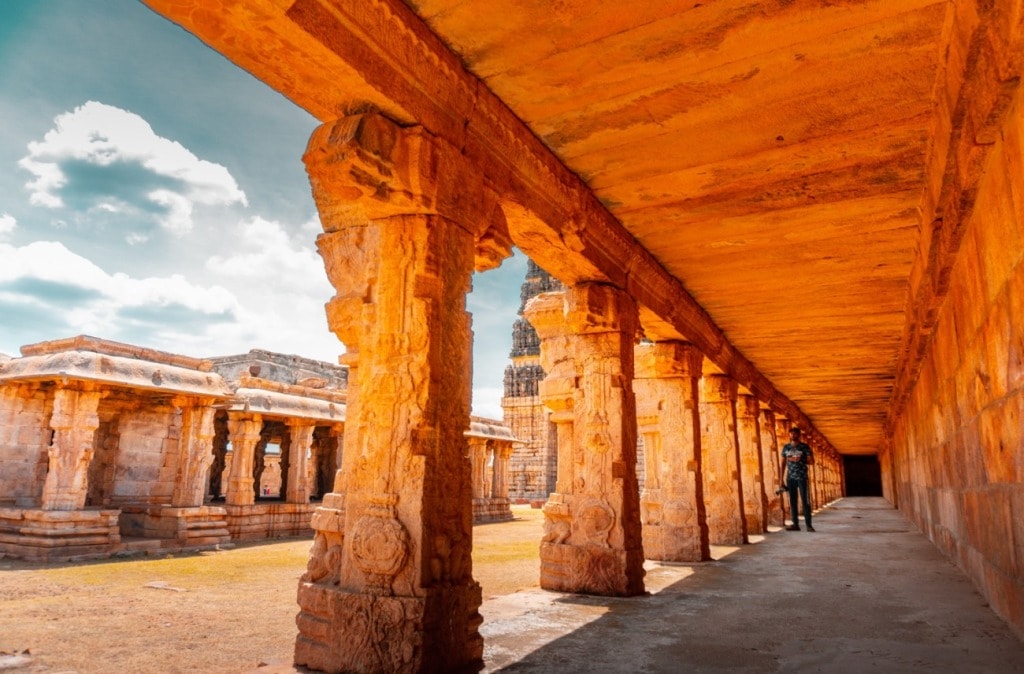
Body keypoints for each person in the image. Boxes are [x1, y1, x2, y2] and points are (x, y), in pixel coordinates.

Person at [781, 426, 815, 531]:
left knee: (805, 501)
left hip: (802, 477)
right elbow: (783, 463)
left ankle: (809, 525)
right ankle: (795, 524)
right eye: (791, 433)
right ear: (789, 435)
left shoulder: (804, 447)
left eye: (795, 433)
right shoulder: (786, 447)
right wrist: (781, 479)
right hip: (790, 477)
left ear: (799, 435)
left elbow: (812, 462)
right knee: (792, 501)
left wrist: (801, 459)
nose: (793, 435)